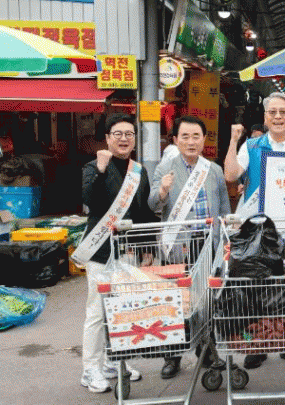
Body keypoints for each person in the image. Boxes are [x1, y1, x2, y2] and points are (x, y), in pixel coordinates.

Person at [224, 92, 285, 370]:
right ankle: (256, 345)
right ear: (265, 117)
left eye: (283, 112)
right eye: (272, 112)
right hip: (255, 233)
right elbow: (231, 175)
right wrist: (233, 141)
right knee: (253, 288)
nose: (278, 117)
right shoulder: (251, 146)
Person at [149, 115, 231, 379]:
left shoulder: (214, 169)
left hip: (207, 244)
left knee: (206, 301)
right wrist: (162, 191)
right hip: (177, 246)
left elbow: (224, 208)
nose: (191, 141)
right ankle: (172, 357)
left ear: (204, 139)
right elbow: (153, 204)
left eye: (196, 136)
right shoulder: (165, 169)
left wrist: (225, 239)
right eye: (185, 136)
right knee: (176, 302)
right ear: (175, 140)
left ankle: (207, 351)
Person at [78, 114, 156, 393]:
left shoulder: (139, 172)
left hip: (127, 252)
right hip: (100, 251)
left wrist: (148, 247)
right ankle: (90, 369)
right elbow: (90, 201)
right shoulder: (93, 167)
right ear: (108, 138)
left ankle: (113, 362)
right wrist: (100, 170)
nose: (124, 139)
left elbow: (143, 213)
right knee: (97, 311)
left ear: (134, 139)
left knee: (121, 309)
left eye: (129, 134)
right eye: (118, 134)